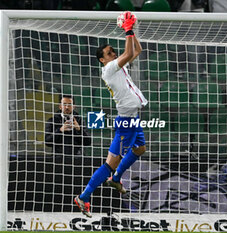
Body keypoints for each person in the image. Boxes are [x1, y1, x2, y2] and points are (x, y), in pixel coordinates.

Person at [74, 11, 148, 218]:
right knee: (110, 164)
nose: (113, 54)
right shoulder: (108, 70)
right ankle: (84, 196)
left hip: (133, 118)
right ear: (102, 60)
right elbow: (126, 54)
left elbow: (137, 50)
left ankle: (116, 178)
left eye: (113, 51)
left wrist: (133, 32)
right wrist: (127, 30)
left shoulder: (117, 67)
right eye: (109, 53)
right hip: (126, 121)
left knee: (140, 148)